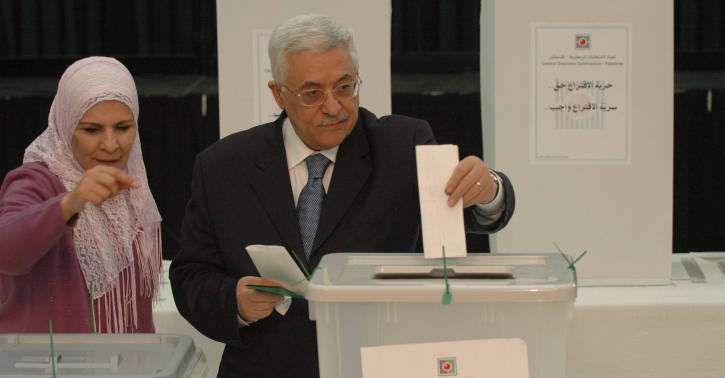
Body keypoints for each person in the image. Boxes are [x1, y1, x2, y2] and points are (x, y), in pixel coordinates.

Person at [170, 14, 515, 377]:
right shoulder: (224, 166)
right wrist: (234, 301)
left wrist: (488, 189)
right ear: (279, 93)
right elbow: (191, 274)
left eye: (345, 87)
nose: (334, 107)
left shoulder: (402, 146)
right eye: (313, 93)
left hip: (375, 365)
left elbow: (471, 213)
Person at [0, 57, 162, 333]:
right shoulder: (36, 180)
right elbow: (7, 252)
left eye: (123, 128)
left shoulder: (132, 188)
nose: (110, 145)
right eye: (91, 129)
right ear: (66, 124)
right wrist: (71, 203)